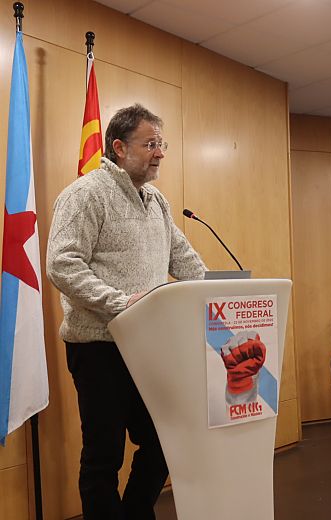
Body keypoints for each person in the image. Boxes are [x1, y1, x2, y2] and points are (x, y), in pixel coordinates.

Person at [46, 104, 207, 519]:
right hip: (100, 347)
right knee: (104, 456)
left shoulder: (156, 200)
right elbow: (62, 263)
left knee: (162, 442)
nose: (160, 152)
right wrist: (120, 303)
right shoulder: (85, 194)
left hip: (148, 346)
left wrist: (216, 290)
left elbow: (182, 257)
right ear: (119, 147)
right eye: (150, 144)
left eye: (161, 143)